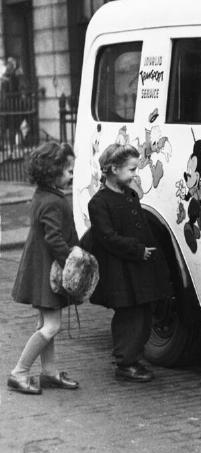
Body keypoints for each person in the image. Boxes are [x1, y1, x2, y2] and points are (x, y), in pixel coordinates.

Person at [87, 143, 172, 382]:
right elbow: (107, 237)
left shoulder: (129, 195)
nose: (135, 174)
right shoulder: (99, 203)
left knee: (143, 312)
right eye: (132, 169)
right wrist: (138, 250)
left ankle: (132, 357)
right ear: (114, 169)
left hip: (138, 266)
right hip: (119, 270)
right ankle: (125, 363)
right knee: (129, 315)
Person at [8, 141, 79, 394]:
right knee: (51, 326)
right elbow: (54, 239)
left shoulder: (43, 194)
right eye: (68, 170)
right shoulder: (53, 201)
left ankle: (48, 372)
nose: (72, 174)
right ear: (53, 172)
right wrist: (73, 258)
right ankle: (19, 372)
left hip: (40, 269)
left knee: (46, 324)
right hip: (49, 272)